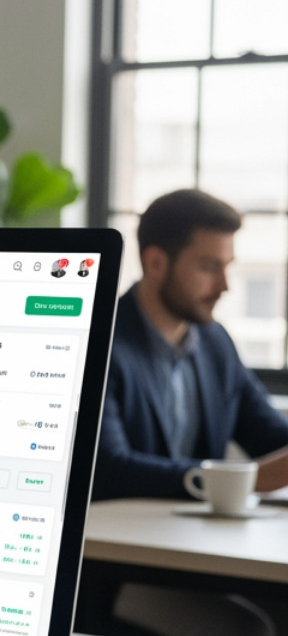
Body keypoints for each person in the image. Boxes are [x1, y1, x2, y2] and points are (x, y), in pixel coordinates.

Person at [94, 189, 288, 500]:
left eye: (227, 266)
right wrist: (245, 480)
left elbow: (271, 437)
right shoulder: (100, 343)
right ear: (156, 263)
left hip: (195, 529)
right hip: (122, 531)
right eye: (210, 267)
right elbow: (109, 469)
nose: (225, 285)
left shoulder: (216, 342)